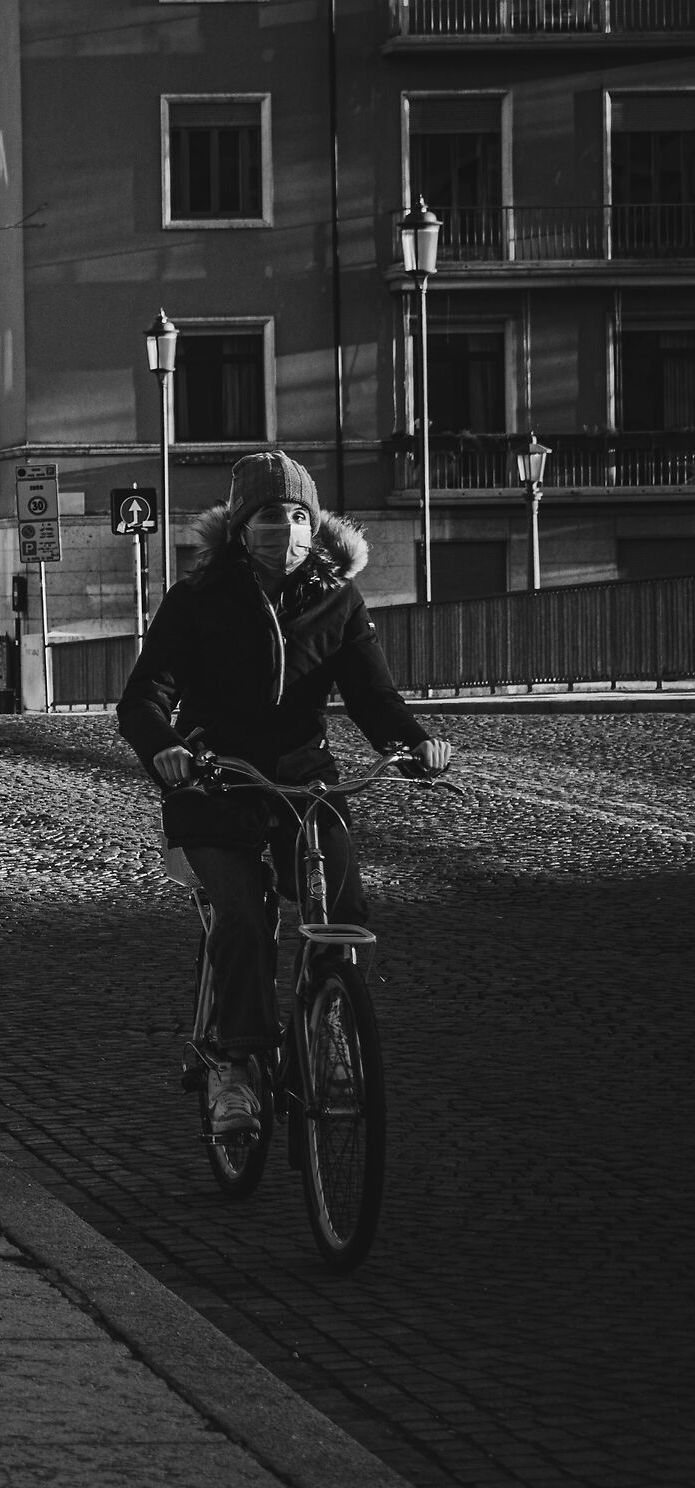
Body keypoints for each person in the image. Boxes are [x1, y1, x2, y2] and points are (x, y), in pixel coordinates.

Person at [117, 451, 452, 1138]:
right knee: (242, 919)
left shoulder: (337, 599)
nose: (286, 528)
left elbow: (372, 696)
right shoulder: (197, 600)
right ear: (242, 527)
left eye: (298, 515)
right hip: (214, 780)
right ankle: (233, 1067)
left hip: (306, 781)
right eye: (271, 516)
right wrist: (167, 750)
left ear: (315, 522)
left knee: (346, 906)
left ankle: (329, 1029)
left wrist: (414, 744)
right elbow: (144, 697)